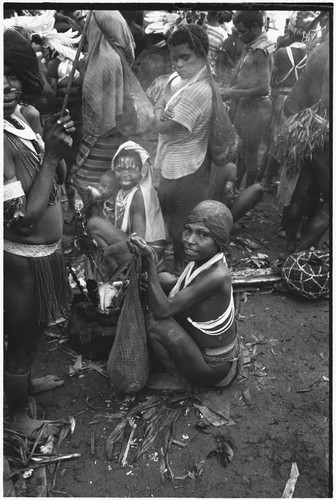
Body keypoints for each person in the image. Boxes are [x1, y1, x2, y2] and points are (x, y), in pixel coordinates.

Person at [4, 27, 74, 436]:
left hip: (45, 256)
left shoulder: (23, 117)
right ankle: (18, 420)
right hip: (20, 260)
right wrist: (51, 160)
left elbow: (54, 176)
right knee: (21, 340)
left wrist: (57, 145)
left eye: (12, 73)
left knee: (36, 331)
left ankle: (25, 384)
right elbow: (22, 220)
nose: (5, 85)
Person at [130, 200, 242, 390]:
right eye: (188, 230)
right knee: (163, 279)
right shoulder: (203, 260)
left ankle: (179, 380)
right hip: (206, 354)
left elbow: (162, 311)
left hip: (213, 367)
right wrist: (154, 278)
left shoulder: (217, 276)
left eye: (203, 234)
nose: (190, 240)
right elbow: (179, 284)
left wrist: (150, 261)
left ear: (219, 240)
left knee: (154, 322)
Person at [154, 24, 238, 274]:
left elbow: (162, 125)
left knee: (183, 221)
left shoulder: (199, 90)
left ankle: (184, 269)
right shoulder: (181, 80)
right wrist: (160, 110)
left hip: (188, 168)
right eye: (175, 58)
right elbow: (162, 101)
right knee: (174, 218)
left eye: (185, 57)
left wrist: (158, 111)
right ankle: (183, 265)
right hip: (173, 163)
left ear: (202, 55)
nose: (178, 64)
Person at [71, 10, 135, 201]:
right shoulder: (111, 53)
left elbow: (97, 103)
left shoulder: (105, 58)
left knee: (87, 180)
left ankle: (89, 221)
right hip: (114, 132)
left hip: (101, 135)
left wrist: (82, 74)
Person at [84, 141, 166, 288]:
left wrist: (107, 252)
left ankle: (116, 265)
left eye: (131, 169)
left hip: (147, 251)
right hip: (131, 245)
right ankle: (114, 264)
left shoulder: (140, 195)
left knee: (94, 224)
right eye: (120, 169)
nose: (125, 174)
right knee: (94, 225)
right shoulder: (123, 191)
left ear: (141, 170)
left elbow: (138, 240)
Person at [220, 10, 275, 189]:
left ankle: (248, 194)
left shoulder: (261, 51)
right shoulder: (251, 45)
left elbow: (263, 88)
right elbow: (247, 81)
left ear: (256, 28)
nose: (240, 35)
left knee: (251, 153)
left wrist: (232, 93)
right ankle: (236, 188)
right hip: (247, 104)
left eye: (243, 31)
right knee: (241, 151)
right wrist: (228, 90)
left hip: (259, 107)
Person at [204, 11, 228, 78]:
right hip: (211, 70)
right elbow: (220, 58)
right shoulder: (223, 34)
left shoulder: (201, 28)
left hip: (196, 66)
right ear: (218, 17)